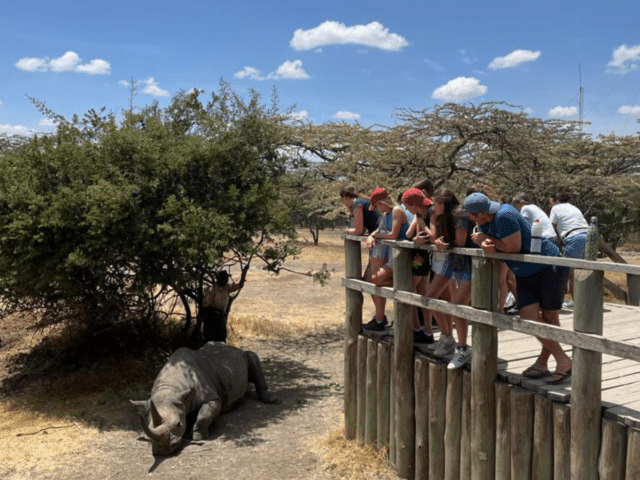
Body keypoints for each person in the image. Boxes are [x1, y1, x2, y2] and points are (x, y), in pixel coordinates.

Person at [463, 192, 572, 384]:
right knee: (529, 316)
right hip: (524, 272)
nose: (469, 219)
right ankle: (560, 360)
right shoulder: (485, 221)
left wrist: (486, 239)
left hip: (547, 267)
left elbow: (512, 247)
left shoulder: (504, 216)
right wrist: (488, 244)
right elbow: (499, 245)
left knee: (549, 316)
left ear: (480, 214)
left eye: (471, 215)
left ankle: (552, 362)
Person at [420, 188, 475, 369]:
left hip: (472, 264)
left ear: (443, 203)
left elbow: (459, 242)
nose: (433, 207)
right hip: (458, 262)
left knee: (458, 306)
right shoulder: (444, 216)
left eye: (435, 204)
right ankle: (451, 340)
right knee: (434, 299)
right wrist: (434, 222)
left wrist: (444, 243)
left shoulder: (459, 215)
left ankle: (462, 348)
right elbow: (439, 237)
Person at [363, 187, 413, 331]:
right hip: (391, 254)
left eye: (377, 205)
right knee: (372, 279)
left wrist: (377, 235)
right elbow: (379, 230)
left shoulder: (397, 210)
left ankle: (406, 284)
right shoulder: (386, 214)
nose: (377, 209)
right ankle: (403, 284)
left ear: (382, 202)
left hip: (401, 255)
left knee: (377, 279)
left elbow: (393, 235)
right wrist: (372, 235)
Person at [401, 187, 435, 344]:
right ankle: (426, 331)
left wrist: (421, 223)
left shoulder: (432, 211)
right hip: (421, 255)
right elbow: (408, 234)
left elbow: (433, 236)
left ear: (414, 205)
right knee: (422, 294)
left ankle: (418, 328)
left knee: (412, 292)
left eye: (408, 206)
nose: (407, 210)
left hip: (423, 257)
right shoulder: (418, 214)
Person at [548, 193, 589, 309]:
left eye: (550, 201)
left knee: (570, 272)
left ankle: (576, 302)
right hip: (588, 236)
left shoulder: (555, 208)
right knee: (584, 271)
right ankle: (586, 299)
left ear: (555, 201)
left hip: (574, 237)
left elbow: (552, 227)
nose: (549, 204)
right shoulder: (573, 207)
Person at [201, 270, 241, 343]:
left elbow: (238, 286)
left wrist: (244, 273)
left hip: (221, 317)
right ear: (219, 279)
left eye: (227, 278)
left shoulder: (226, 288)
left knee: (222, 340)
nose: (226, 280)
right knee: (210, 340)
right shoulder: (212, 289)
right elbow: (205, 305)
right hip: (212, 317)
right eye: (224, 278)